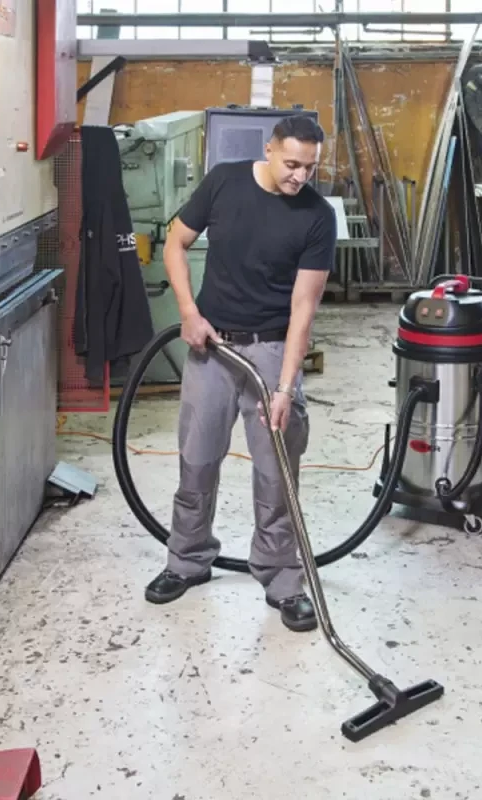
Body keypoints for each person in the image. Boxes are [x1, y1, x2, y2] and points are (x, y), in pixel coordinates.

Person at [144, 114, 337, 633]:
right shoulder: (225, 182)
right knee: (197, 460)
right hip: (213, 348)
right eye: (292, 164)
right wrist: (189, 313)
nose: (300, 176)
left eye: (310, 167)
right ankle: (187, 560)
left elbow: (303, 310)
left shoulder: (317, 217)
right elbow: (175, 243)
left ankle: (281, 579)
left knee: (276, 471)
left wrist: (286, 386)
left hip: (271, 349)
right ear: (269, 150)